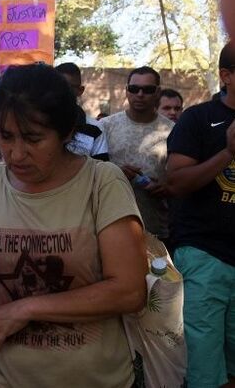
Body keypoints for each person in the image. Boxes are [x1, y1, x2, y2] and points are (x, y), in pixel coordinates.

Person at [0, 63, 147, 387]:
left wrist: (27, 308)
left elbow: (129, 291)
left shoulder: (101, 183)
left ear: (67, 132)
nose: (16, 154)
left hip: (94, 380)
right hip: (0, 378)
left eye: (33, 138)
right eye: (5, 136)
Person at [166, 42, 235, 387]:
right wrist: (228, 152)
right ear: (226, 76)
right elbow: (176, 182)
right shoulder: (198, 119)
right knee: (205, 372)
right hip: (206, 255)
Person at [100, 66, 174, 243]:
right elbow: (90, 170)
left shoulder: (173, 130)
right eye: (134, 89)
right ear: (127, 91)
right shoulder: (105, 126)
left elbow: (181, 176)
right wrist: (116, 173)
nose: (140, 94)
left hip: (155, 226)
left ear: (157, 92)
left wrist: (168, 186)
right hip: (110, 224)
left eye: (147, 90)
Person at [55, 62, 109, 161]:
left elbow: (100, 170)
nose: (63, 92)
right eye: (58, 86)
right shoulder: (37, 123)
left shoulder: (95, 128)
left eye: (70, 88)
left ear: (80, 90)